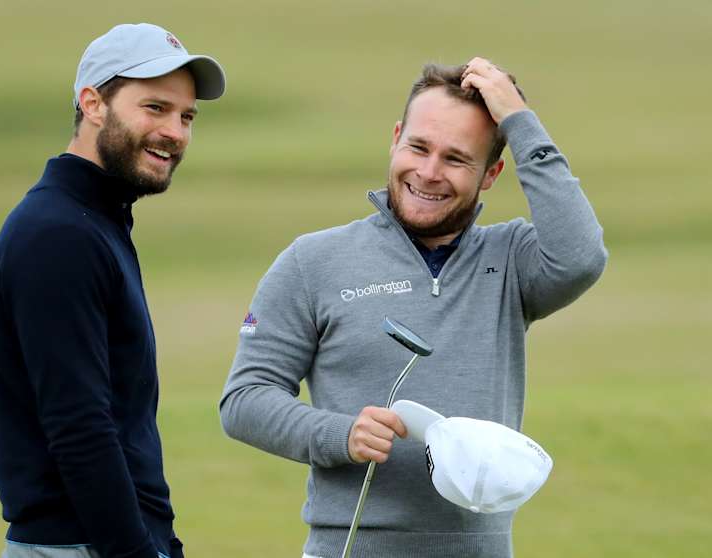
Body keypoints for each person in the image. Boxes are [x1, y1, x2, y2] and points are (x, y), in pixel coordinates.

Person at [220, 57, 607, 558]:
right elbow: (245, 399)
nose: (428, 172)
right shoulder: (313, 261)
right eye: (418, 147)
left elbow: (581, 256)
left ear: (491, 173)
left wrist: (519, 120)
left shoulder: (512, 260)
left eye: (456, 159)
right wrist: (341, 433)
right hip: (350, 546)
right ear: (396, 137)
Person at [0, 23, 224, 558]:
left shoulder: (92, 220)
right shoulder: (59, 235)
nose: (175, 132)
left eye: (186, 117)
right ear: (93, 103)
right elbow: (80, 429)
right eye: (154, 108)